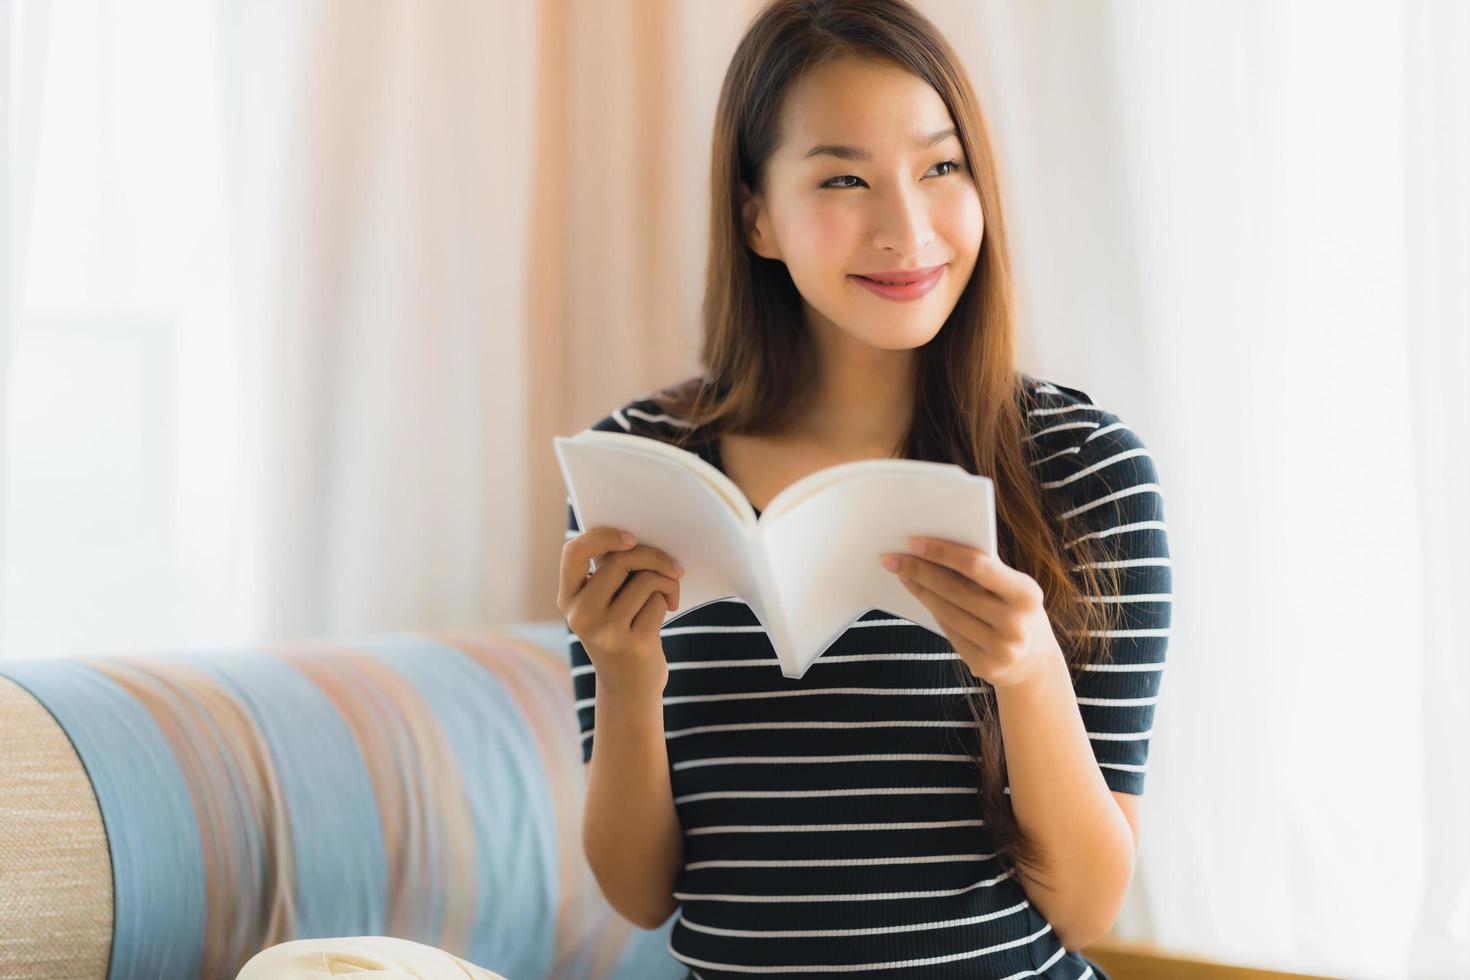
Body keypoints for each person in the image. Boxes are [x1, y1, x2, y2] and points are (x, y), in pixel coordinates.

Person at [244, 0, 1171, 976]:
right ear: (758, 217)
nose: (908, 226)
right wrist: (628, 669)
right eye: (845, 177)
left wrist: (1028, 675)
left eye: (941, 167)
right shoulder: (644, 464)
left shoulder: (1085, 471)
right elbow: (642, 889)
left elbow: (1087, 906)